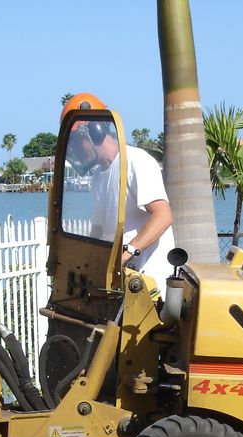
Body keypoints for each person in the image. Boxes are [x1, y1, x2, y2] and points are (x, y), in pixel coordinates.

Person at [63, 93, 175, 294]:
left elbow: (163, 215)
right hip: (119, 285)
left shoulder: (135, 161)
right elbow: (98, 230)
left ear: (94, 132)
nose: (75, 151)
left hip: (148, 284)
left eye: (76, 143)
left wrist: (127, 253)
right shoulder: (98, 177)